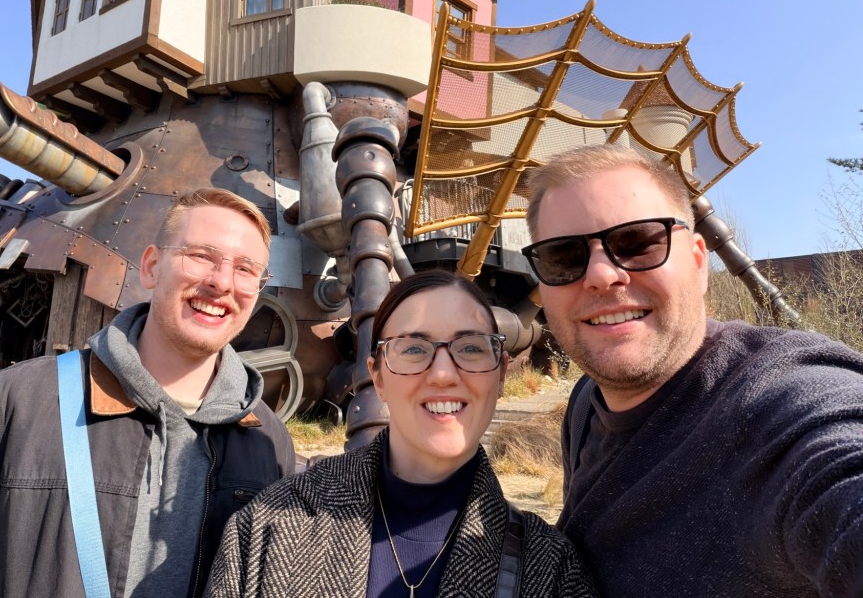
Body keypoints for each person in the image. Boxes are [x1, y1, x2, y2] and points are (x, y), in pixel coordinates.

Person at [0, 188, 296, 597]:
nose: (222, 282)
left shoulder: (267, 439)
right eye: (201, 256)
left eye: (245, 269)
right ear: (150, 267)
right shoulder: (17, 401)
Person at [521, 144, 863, 597]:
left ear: (699, 263)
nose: (602, 275)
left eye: (638, 243)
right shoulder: (587, 401)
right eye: (563, 257)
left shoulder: (779, 405)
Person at [207, 269, 598, 598]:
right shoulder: (269, 526)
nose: (442, 374)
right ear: (377, 378)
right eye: (412, 349)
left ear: (500, 374)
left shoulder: (551, 571)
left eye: (470, 348)